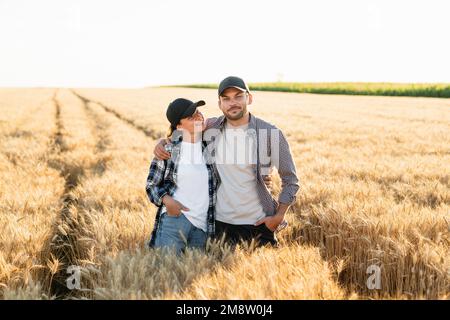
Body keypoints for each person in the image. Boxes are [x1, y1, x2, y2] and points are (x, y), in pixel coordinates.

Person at [154, 76, 299, 247]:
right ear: (220, 104)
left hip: (259, 224)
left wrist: (279, 216)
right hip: (220, 225)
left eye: (238, 96)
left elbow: (291, 180)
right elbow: (183, 130)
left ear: (249, 98)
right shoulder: (211, 127)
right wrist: (163, 143)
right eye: (226, 99)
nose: (232, 103)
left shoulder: (270, 133)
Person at [145, 98, 220, 255]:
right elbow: (151, 185)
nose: (198, 117)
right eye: (191, 117)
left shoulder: (210, 147)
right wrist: (168, 201)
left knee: (191, 277)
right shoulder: (168, 150)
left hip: (202, 227)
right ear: (179, 126)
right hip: (175, 220)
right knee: (165, 273)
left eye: (198, 112)